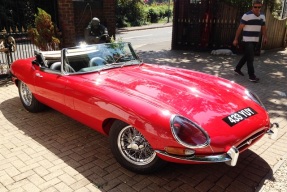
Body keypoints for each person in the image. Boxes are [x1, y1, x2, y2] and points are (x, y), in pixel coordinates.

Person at [233, 0, 267, 82]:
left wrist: (265, 37)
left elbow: (263, 27)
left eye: (259, 7)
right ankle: (252, 76)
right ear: (252, 6)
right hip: (247, 40)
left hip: (255, 40)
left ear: (261, 6)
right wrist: (236, 39)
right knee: (250, 58)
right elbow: (240, 28)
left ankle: (237, 69)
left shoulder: (262, 16)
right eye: (255, 7)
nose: (257, 9)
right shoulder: (246, 15)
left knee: (247, 56)